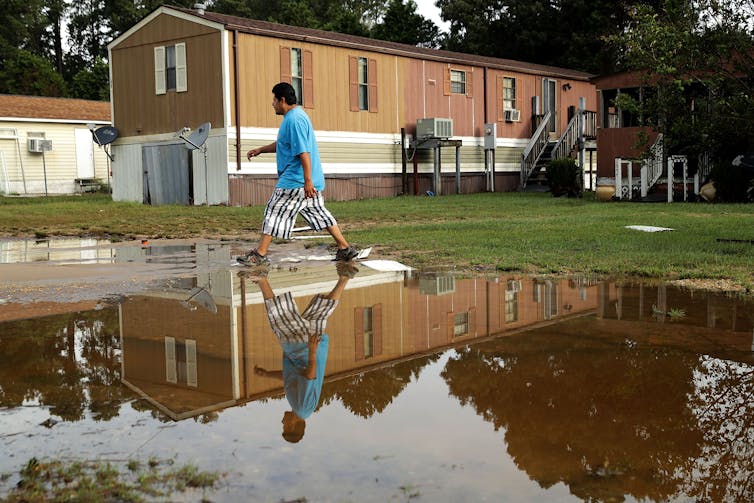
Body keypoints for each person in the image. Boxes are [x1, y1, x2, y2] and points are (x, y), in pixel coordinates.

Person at [240, 82, 358, 265]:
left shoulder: (294, 120)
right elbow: (284, 145)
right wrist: (260, 150)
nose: (272, 104)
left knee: (274, 211)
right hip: (306, 180)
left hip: (296, 180)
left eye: (274, 100)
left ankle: (260, 254)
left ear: (283, 100)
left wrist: (307, 181)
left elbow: (303, 152)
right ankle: (345, 248)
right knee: (319, 213)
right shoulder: (297, 116)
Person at [246, 262, 358, 442]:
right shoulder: (302, 408)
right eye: (284, 425)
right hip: (302, 350)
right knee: (279, 320)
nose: (282, 421)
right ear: (293, 426)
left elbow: (291, 377)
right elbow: (309, 377)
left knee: (318, 314)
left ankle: (345, 277)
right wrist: (311, 351)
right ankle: (261, 278)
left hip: (309, 349)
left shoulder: (299, 407)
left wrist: (266, 374)